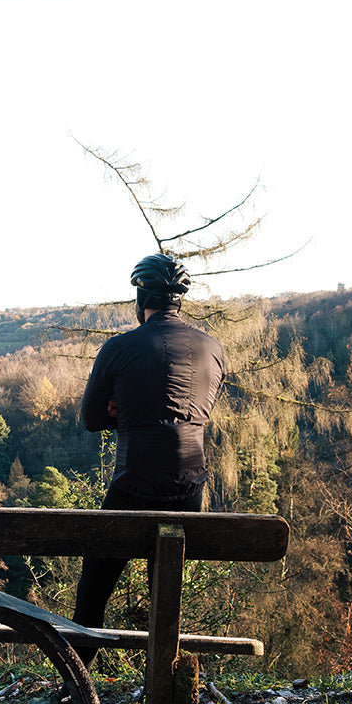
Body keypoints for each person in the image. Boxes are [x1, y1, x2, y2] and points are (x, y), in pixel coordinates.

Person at [72, 253, 227, 656]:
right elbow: (199, 412)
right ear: (179, 300)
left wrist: (125, 412)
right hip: (190, 490)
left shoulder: (119, 348)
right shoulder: (213, 348)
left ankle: (76, 684)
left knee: (94, 587)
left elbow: (91, 417)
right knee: (165, 589)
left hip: (133, 485)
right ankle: (161, 679)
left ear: (141, 300)